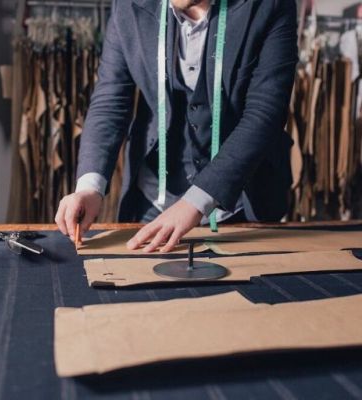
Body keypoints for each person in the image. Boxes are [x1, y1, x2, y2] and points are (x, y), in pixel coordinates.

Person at [55, 0, 298, 253]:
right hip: (152, 202)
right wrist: (89, 187)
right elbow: (110, 99)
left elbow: (265, 113)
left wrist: (196, 201)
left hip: (239, 201)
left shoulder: (270, 5)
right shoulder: (129, 5)